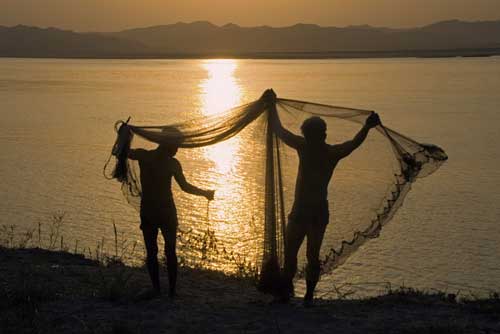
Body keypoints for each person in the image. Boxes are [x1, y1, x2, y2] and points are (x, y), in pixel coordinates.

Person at [263, 89, 380, 306]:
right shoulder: (325, 152)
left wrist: (271, 106)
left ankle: (300, 296)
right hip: (310, 212)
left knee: (300, 255)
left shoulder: (309, 148)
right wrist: (367, 127)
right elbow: (353, 144)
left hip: (309, 213)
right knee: (304, 255)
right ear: (321, 134)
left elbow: (279, 131)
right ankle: (300, 296)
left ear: (311, 134)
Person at [129, 138, 214, 298]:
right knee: (169, 251)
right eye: (176, 146)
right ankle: (171, 293)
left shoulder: (144, 156)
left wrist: (124, 136)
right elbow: (185, 187)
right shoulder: (172, 163)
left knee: (152, 251)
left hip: (150, 210)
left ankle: (158, 290)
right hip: (165, 212)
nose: (177, 150)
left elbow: (119, 152)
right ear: (168, 144)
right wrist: (205, 193)